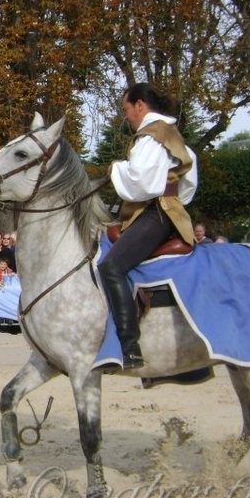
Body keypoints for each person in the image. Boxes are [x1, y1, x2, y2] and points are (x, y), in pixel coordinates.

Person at [98, 82, 198, 370]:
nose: (125, 116)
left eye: (126, 109)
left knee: (111, 267)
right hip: (167, 210)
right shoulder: (171, 135)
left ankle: (130, 347)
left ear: (140, 105)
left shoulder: (151, 137)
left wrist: (116, 169)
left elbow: (141, 183)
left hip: (158, 213)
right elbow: (189, 182)